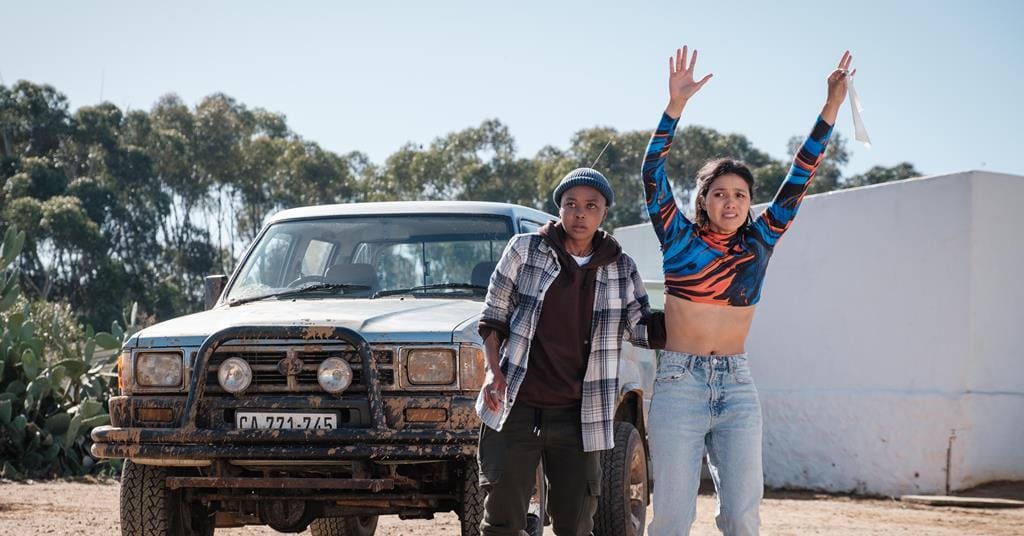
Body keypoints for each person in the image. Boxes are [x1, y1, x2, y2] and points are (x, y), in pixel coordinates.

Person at [643, 46, 854, 535]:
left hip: (737, 385)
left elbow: (801, 173)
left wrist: (831, 108)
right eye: (720, 193)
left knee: (742, 516)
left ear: (750, 202)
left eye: (740, 194)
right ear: (703, 200)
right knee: (673, 518)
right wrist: (675, 105)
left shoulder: (762, 239)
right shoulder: (678, 238)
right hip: (679, 383)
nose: (731, 201)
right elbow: (652, 173)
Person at [474, 168, 666, 536]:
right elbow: (492, 318)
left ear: (604, 212)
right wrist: (492, 372)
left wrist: (694, 312)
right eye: (571, 204)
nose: (580, 213)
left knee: (576, 525)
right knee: (501, 523)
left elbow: (641, 327)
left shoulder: (621, 267)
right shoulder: (524, 250)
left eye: (590, 206)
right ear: (558, 209)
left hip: (581, 415)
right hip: (516, 405)